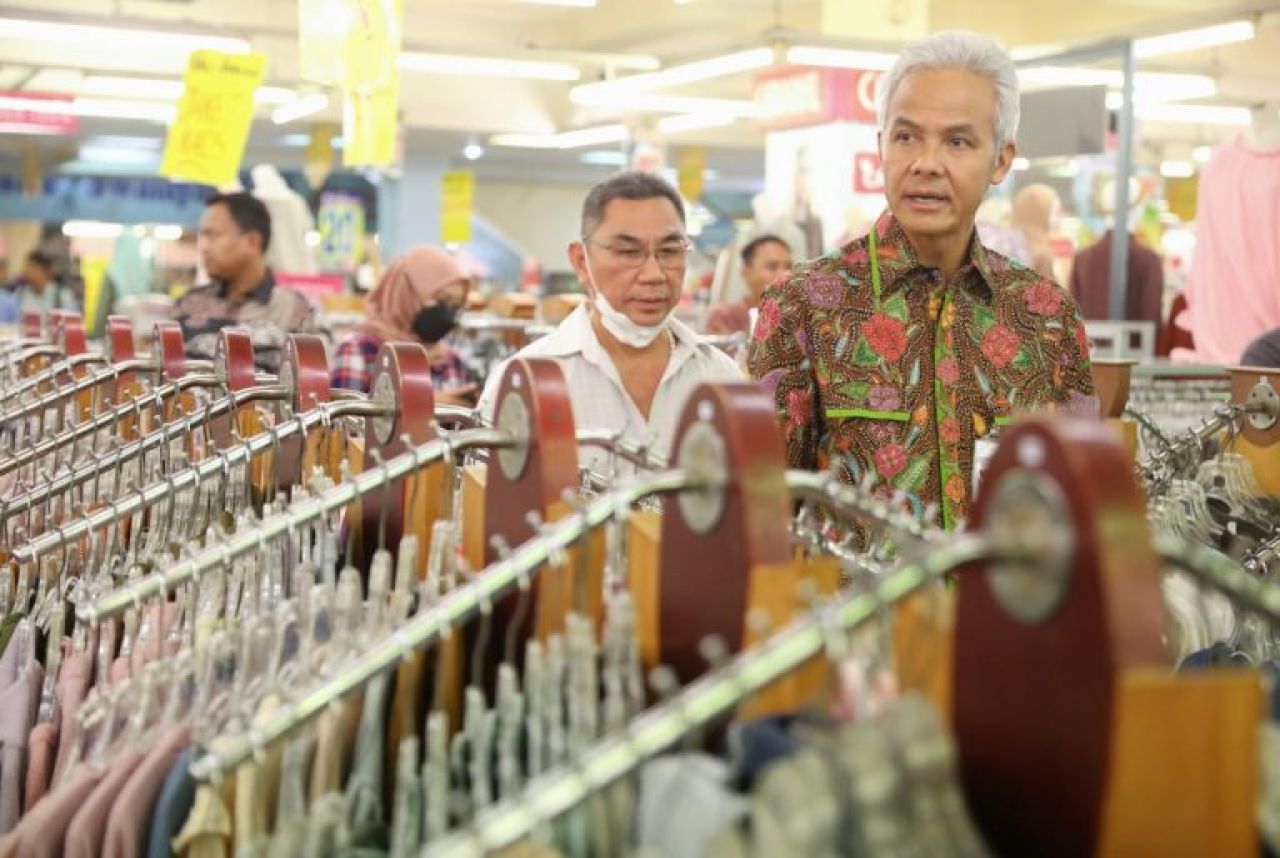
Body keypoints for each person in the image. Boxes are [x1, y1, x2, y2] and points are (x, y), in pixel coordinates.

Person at [749, 30, 1096, 532]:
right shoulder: (805, 305)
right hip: (857, 610)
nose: (926, 164)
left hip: (1002, 609)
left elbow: (1078, 503)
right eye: (906, 136)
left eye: (957, 141)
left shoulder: (1048, 316)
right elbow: (765, 509)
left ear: (1000, 160)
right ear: (881, 147)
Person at [478, 171, 741, 471]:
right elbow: (486, 507)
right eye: (629, 252)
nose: (654, 274)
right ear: (581, 261)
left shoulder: (721, 377)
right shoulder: (524, 382)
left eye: (669, 251)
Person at [173, 192, 321, 372]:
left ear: (252, 241)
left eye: (213, 236)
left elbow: (311, 388)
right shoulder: (188, 305)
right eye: (202, 237)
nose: (203, 247)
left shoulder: (295, 312)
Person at [331, 245, 477, 405]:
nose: (447, 312)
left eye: (455, 305)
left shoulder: (450, 361)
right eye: (441, 300)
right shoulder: (359, 350)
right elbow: (345, 423)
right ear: (406, 292)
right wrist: (424, 405)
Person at [1068, 227, 1164, 325]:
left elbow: (1072, 306)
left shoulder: (1082, 258)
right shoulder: (1150, 259)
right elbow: (1152, 308)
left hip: (1089, 335)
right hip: (1136, 337)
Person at [706, 234, 793, 336]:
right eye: (772, 267)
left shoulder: (799, 318)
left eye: (789, 266)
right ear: (746, 272)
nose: (785, 274)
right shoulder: (725, 318)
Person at [2, 251, 78, 319]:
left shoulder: (61, 296)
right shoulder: (20, 294)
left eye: (31, 267)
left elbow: (71, 324)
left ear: (44, 269)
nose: (26, 270)